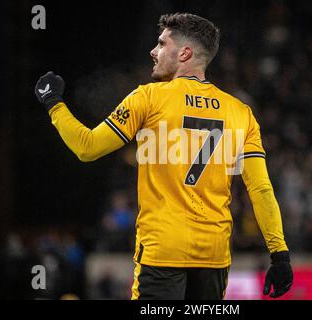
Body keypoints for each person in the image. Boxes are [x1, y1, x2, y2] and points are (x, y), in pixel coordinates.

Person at [34, 13, 293, 300]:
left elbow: (87, 147)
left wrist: (53, 103)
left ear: (184, 53)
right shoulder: (241, 113)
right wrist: (279, 254)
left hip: (162, 252)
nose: (153, 51)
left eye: (161, 43)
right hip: (214, 257)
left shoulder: (149, 97)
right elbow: (260, 189)